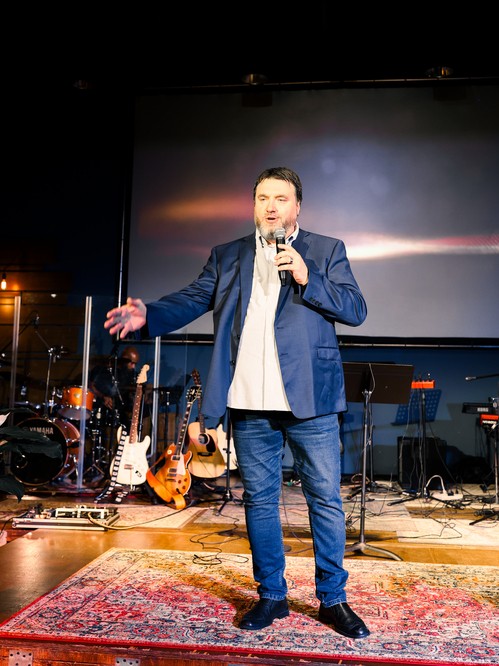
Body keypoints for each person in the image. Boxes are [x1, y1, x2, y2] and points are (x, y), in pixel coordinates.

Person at [104, 166, 369, 639]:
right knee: (259, 501)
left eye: (281, 198)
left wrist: (307, 276)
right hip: (249, 400)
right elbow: (192, 299)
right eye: (263, 198)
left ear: (297, 207)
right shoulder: (228, 255)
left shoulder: (327, 250)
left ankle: (333, 598)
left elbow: (355, 310)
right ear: (254, 205)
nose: (271, 207)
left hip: (310, 400)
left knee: (325, 500)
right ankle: (272, 596)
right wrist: (149, 315)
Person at [89, 345, 140, 431]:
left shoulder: (132, 375)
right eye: (132, 363)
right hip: (101, 409)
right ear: (124, 360)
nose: (133, 367)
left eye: (135, 364)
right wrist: (103, 396)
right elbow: (91, 385)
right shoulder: (106, 371)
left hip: (119, 412)